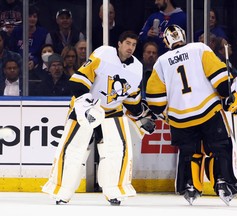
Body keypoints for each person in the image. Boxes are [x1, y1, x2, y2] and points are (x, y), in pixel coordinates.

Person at [42, 31, 156, 205]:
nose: (130, 48)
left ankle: (114, 191)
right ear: (119, 44)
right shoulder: (103, 54)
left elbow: (132, 101)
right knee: (72, 149)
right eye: (127, 43)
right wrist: (86, 105)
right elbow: (78, 82)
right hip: (87, 106)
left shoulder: (136, 68)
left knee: (118, 150)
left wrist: (141, 116)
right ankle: (61, 192)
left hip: (112, 111)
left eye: (133, 44)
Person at [145, 25, 237, 206]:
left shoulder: (161, 62)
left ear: (166, 41)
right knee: (220, 147)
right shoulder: (199, 48)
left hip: (179, 118)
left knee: (189, 152)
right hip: (208, 111)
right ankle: (223, 182)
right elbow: (219, 77)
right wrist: (228, 97)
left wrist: (167, 115)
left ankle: (190, 186)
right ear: (183, 36)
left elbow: (155, 100)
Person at [9, 5, 48, 71]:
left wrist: (34, 61)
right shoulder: (16, 31)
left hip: (37, 66)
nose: (32, 19)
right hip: (17, 65)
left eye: (35, 16)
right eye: (29, 16)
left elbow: (45, 53)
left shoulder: (43, 33)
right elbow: (11, 51)